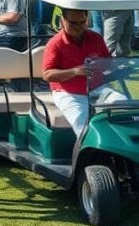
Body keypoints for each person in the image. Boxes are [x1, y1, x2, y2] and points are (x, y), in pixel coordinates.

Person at [42, 8, 112, 136]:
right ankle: (92, 152)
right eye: (73, 23)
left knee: (123, 107)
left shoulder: (96, 38)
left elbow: (109, 63)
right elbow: (47, 74)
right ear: (63, 20)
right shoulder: (55, 43)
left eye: (82, 22)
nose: (78, 27)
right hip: (69, 94)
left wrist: (102, 65)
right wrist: (75, 71)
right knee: (83, 125)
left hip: (98, 89)